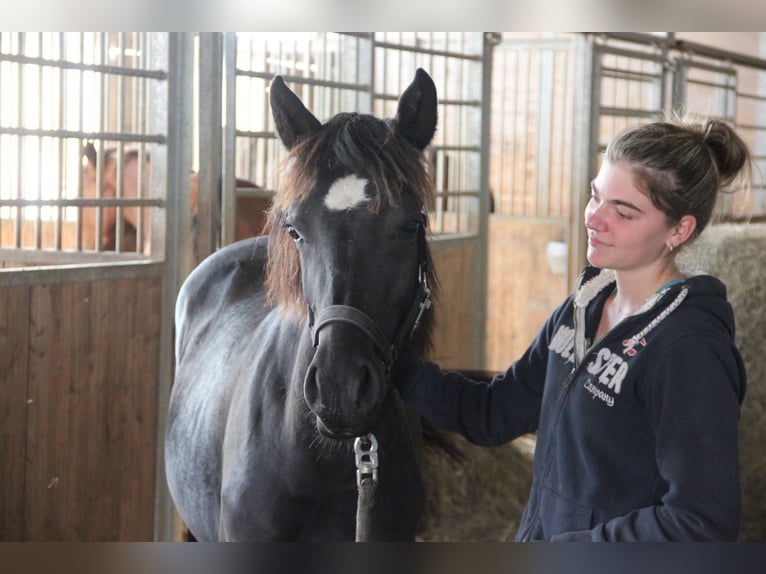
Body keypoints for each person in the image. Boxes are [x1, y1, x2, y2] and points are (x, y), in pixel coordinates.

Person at [399, 117, 752, 541]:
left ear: (679, 230)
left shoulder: (688, 349)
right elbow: (496, 412)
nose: (595, 219)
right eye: (595, 196)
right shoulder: (582, 310)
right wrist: (395, 370)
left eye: (623, 212)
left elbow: (700, 522)